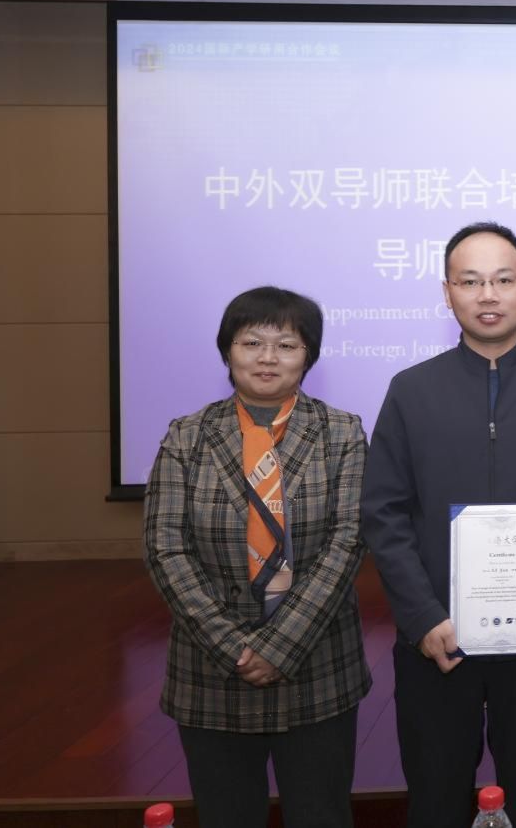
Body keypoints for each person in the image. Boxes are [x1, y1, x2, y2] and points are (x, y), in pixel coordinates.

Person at [361, 221, 516, 828]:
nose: (488, 295)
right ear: (446, 292)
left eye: (503, 279)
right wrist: (422, 618)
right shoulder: (411, 389)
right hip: (436, 642)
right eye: (470, 282)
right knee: (436, 800)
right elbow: (384, 514)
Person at [143, 286, 372, 828]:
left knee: (321, 815)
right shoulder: (187, 436)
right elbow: (165, 547)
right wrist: (235, 649)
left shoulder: (341, 432)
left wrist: (279, 646)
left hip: (316, 665)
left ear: (308, 356)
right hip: (213, 670)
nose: (268, 357)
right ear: (227, 351)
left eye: (286, 345)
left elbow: (348, 541)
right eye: (252, 342)